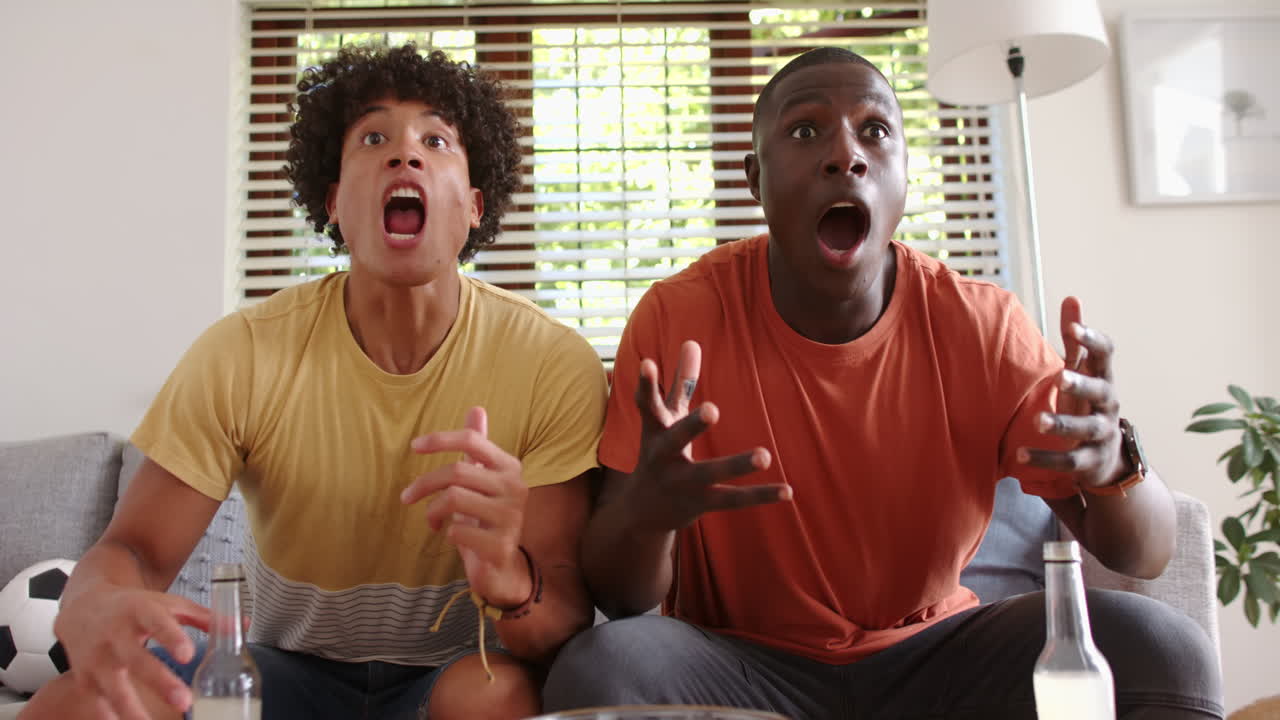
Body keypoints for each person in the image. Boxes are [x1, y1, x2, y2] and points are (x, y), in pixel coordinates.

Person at [543, 47, 1223, 719]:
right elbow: (622, 597)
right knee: (601, 670)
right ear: (755, 177)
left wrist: (1112, 463)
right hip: (739, 665)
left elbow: (1146, 551)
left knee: (1165, 650)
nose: (846, 154)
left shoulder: (981, 324)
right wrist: (649, 515)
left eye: (875, 130)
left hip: (939, 655)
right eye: (805, 131)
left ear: (903, 176)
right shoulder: (679, 316)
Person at [24, 44, 606, 720]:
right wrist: (95, 602)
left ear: (475, 205)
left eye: (436, 139)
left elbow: (560, 623)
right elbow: (133, 552)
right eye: (374, 137)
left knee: (495, 694)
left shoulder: (550, 361)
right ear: (333, 203)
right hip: (283, 675)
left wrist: (509, 576)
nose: (405, 154)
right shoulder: (244, 352)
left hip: (453, 675)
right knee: (74, 705)